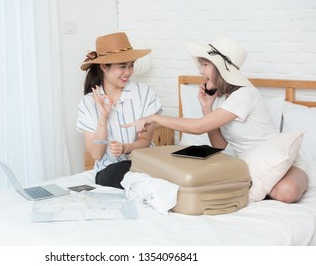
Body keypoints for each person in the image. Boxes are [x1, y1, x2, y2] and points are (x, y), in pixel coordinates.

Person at [124, 35, 308, 203]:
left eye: (204, 65)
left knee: (286, 192)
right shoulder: (223, 99)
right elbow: (220, 146)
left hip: (279, 162)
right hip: (250, 164)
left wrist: (156, 118)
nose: (200, 72)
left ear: (220, 69)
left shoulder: (246, 94)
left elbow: (198, 127)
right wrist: (207, 108)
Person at [77, 32, 162, 189]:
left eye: (131, 65)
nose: (128, 72)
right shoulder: (88, 103)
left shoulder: (144, 93)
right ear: (104, 67)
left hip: (143, 165)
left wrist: (125, 148)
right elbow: (96, 154)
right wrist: (103, 117)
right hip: (109, 172)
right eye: (122, 66)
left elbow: (145, 142)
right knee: (121, 170)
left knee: (151, 170)